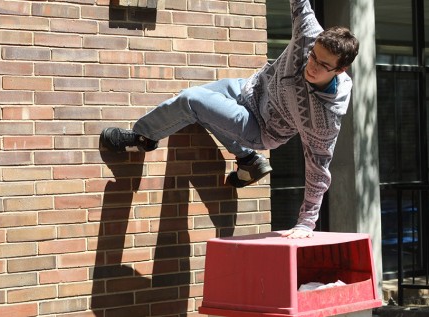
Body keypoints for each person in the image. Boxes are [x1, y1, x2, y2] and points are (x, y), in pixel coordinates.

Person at [100, 0, 359, 239]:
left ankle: (141, 138)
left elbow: (318, 169)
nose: (311, 65)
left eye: (323, 65)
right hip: (246, 89)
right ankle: (248, 161)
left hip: (261, 128)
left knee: (192, 100)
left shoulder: (325, 118)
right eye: (313, 55)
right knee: (204, 107)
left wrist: (306, 222)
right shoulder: (308, 33)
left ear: (340, 69)